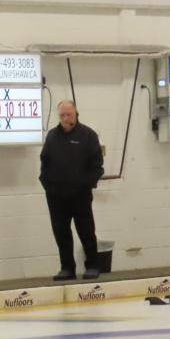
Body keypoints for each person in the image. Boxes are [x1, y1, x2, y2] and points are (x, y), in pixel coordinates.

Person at [39, 100, 105, 281]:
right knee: (61, 233)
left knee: (86, 231)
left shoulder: (88, 136)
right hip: (56, 196)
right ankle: (67, 268)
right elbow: (44, 163)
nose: (65, 118)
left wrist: (86, 184)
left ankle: (92, 265)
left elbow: (97, 166)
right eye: (62, 115)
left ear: (76, 113)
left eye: (69, 114)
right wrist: (48, 186)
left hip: (80, 195)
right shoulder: (52, 136)